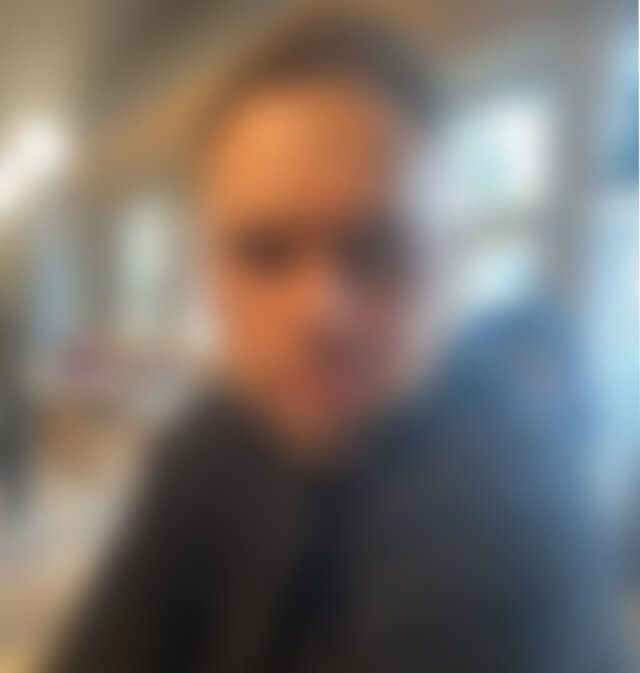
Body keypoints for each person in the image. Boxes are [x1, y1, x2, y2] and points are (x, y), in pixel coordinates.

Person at [48, 10, 625, 673]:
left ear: (449, 265)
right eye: (264, 252)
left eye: (378, 250)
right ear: (210, 276)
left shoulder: (523, 517)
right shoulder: (212, 441)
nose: (320, 313)